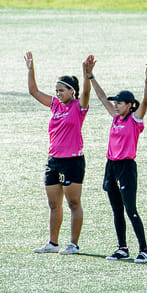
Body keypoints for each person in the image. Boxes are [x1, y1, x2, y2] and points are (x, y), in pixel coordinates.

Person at [84, 56, 147, 263]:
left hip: (126, 167)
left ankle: (144, 251)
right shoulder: (115, 117)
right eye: (116, 103)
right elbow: (103, 97)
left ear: (130, 105)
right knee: (117, 210)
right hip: (111, 166)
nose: (115, 105)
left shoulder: (135, 120)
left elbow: (146, 100)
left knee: (130, 209)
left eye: (119, 103)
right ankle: (122, 248)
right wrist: (90, 76)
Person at [25, 51, 91, 255]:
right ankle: (53, 243)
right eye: (57, 90)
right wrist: (30, 69)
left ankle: (73, 244)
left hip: (72, 161)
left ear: (72, 92)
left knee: (73, 203)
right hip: (53, 160)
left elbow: (87, 94)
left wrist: (86, 73)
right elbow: (34, 91)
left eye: (61, 90)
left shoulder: (78, 107)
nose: (58, 94)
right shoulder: (55, 105)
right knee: (54, 204)